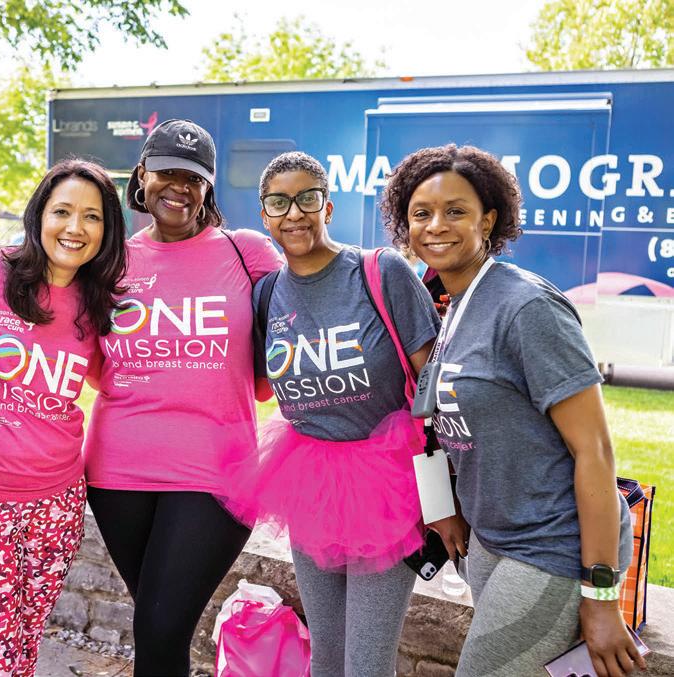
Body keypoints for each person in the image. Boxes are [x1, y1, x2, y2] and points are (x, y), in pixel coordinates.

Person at [380, 144, 643, 677]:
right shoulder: (456, 305)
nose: (436, 226)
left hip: (550, 547)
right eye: (421, 213)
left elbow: (594, 449)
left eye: (456, 210)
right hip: (489, 542)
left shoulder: (526, 306)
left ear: (489, 220)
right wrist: (443, 506)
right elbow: (439, 419)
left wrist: (600, 595)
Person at [220, 151, 460, 677]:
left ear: (327, 207)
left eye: (307, 198)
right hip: (309, 481)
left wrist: (445, 498)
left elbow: (437, 385)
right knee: (326, 659)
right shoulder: (267, 294)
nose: (294, 213)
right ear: (265, 216)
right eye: (278, 203)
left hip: (388, 486)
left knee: (366, 665)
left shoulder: (380, 271)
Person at [84, 119, 283, 675]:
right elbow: (88, 355)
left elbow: (303, 305)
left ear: (208, 188)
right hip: (117, 473)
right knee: (159, 628)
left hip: (217, 472)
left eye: (194, 177)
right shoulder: (110, 260)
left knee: (160, 626)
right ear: (141, 176)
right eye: (167, 172)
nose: (179, 187)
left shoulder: (246, 252)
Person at [0, 159, 127, 676]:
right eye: (62, 211)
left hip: (59, 502)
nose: (75, 227)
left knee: (23, 648)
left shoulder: (95, 300)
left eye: (93, 217)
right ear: (39, 215)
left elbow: (108, 378)